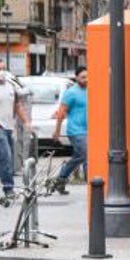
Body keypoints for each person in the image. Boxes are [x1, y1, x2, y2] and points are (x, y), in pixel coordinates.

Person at [0, 60, 25, 202]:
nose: (1, 71)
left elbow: (18, 105)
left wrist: (27, 122)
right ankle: (8, 188)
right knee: (6, 155)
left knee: (2, 158)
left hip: (8, 127)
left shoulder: (11, 86)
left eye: (3, 68)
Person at [51, 66, 88, 195]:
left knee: (79, 157)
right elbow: (61, 113)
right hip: (76, 131)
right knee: (86, 154)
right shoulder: (71, 93)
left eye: (87, 76)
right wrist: (57, 131)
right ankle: (92, 184)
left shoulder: (91, 90)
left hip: (89, 130)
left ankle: (61, 179)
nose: (86, 79)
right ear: (76, 78)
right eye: (83, 77)